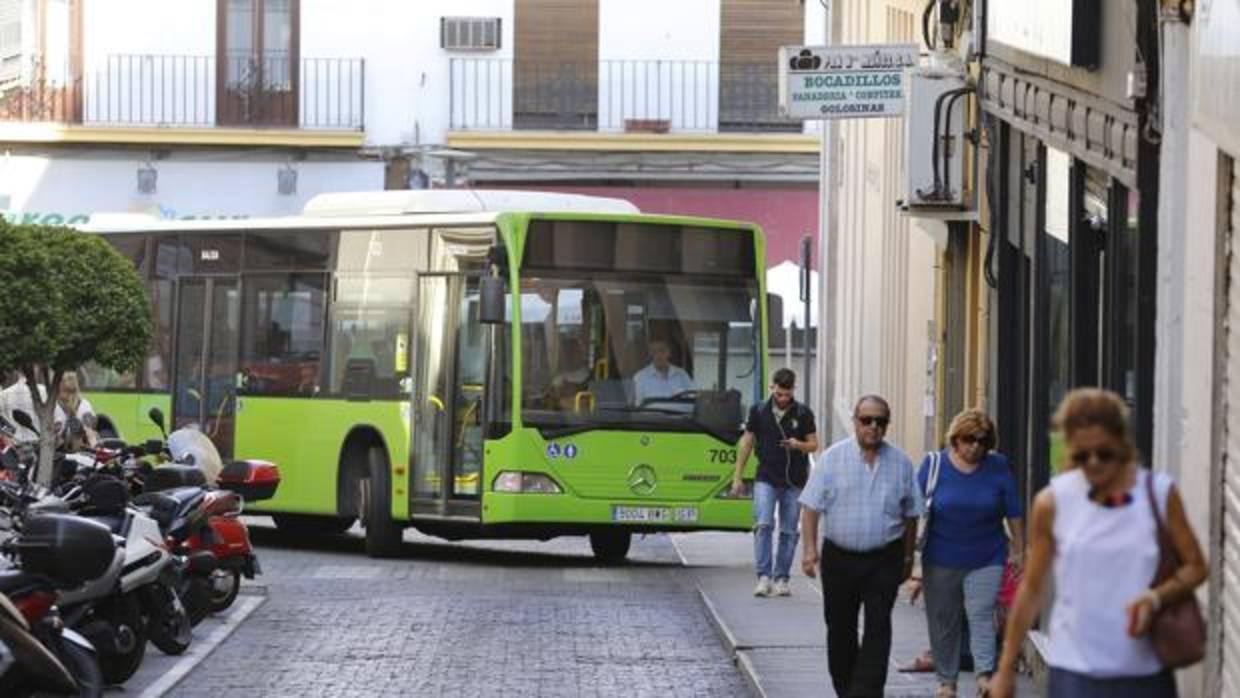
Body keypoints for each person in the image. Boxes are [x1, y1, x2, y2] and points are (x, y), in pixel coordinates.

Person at [990, 389, 1209, 698]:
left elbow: (1197, 567)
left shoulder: (1158, 494)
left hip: (1145, 671)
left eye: (1104, 453)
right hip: (1075, 671)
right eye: (1081, 456)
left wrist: (1156, 597)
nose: (1093, 463)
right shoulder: (1053, 501)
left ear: (1122, 443)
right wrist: (1005, 666)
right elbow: (1033, 588)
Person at [800, 395, 923, 698]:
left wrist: (908, 557)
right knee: (840, 627)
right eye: (866, 420)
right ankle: (846, 688)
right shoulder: (832, 458)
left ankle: (867, 692)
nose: (873, 426)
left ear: (887, 425)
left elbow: (911, 513)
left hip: (884, 558)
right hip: (840, 558)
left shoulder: (901, 463)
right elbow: (810, 507)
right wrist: (809, 550)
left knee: (878, 626)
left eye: (880, 421)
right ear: (855, 422)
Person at [913, 409, 1023, 698]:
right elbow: (912, 510)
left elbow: (1013, 510)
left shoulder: (998, 466)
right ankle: (947, 681)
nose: (975, 446)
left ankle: (984, 676)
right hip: (940, 557)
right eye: (969, 439)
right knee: (943, 620)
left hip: (987, 554)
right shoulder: (933, 465)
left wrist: (1019, 551)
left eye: (983, 441)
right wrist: (909, 560)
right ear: (955, 439)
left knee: (981, 615)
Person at [730, 368, 818, 597]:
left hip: (794, 480)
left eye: (787, 395)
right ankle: (764, 576)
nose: (782, 399)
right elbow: (747, 443)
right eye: (779, 394)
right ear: (772, 388)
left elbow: (814, 444)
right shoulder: (759, 410)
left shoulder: (803, 413)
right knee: (763, 525)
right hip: (766, 476)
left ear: (793, 391)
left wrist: (797, 445)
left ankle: (781, 578)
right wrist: (737, 477)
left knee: (789, 531)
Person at [632, 338, 693, 405]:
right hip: (652, 415)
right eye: (654, 351)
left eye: (662, 350)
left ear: (669, 352)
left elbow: (691, 399)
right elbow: (638, 406)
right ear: (650, 354)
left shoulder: (682, 374)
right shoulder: (640, 377)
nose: (658, 355)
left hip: (681, 414)